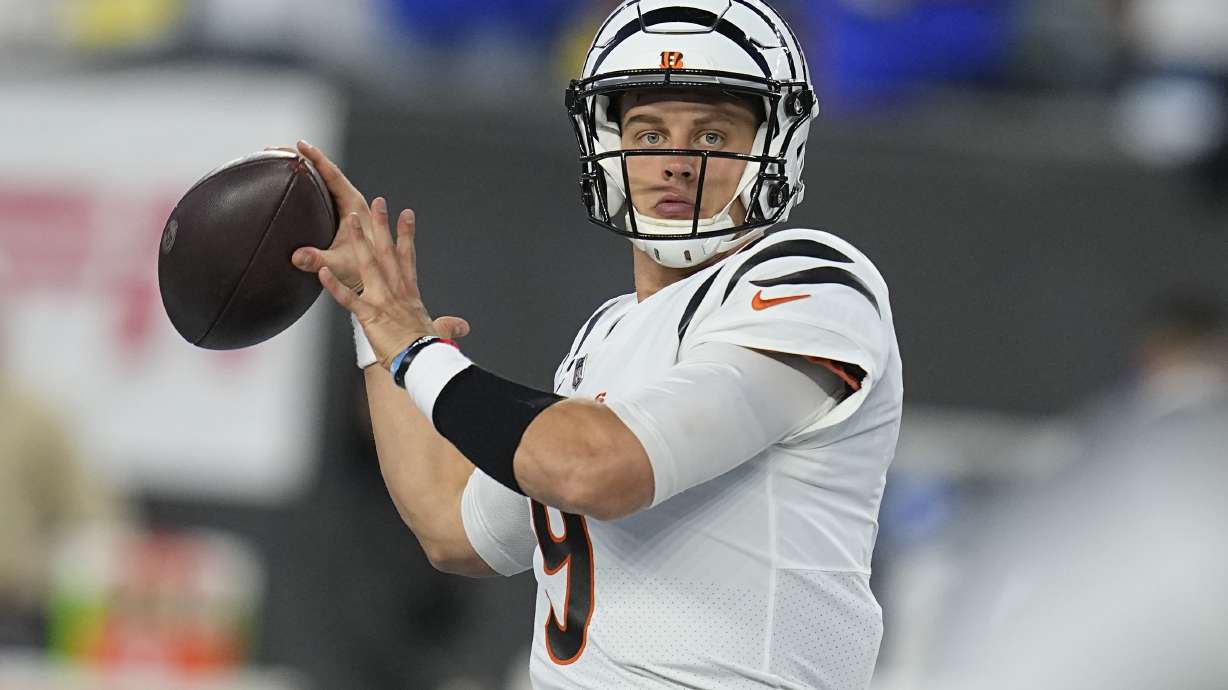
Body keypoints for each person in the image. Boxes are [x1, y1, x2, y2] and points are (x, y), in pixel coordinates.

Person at [290, 1, 902, 687]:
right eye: (647, 134)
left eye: (709, 136)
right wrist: (379, 325)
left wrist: (417, 353)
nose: (674, 162)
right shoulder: (606, 335)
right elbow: (452, 526)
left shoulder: (813, 282)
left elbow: (596, 469)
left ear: (773, 145)